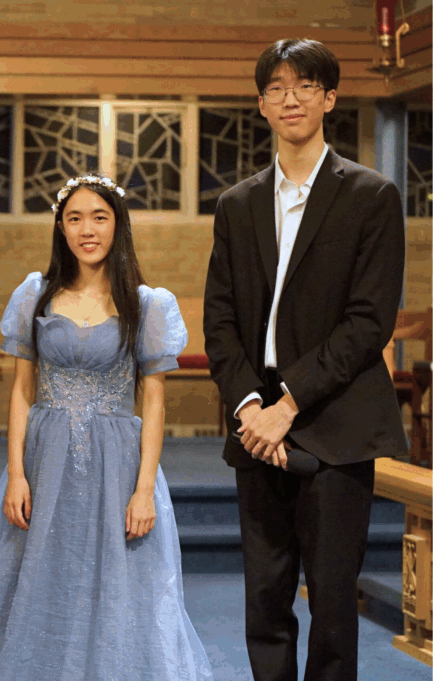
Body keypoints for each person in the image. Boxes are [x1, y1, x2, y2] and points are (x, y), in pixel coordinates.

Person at [0, 173, 215, 680]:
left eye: (99, 217)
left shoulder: (147, 304)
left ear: (118, 225)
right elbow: (22, 391)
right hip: (45, 458)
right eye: (74, 219)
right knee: (38, 576)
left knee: (122, 580)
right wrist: (17, 474)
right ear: (61, 227)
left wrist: (144, 491)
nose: (87, 229)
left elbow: (154, 403)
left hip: (118, 462)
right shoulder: (35, 294)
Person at [203, 39, 407, 681]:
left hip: (334, 418)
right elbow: (220, 320)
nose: (290, 98)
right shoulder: (237, 204)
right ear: (262, 104)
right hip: (254, 421)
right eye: (277, 88)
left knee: (333, 601)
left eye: (305, 86)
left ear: (330, 98)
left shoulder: (371, 195)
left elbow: (369, 321)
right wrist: (250, 406)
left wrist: (288, 405)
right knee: (265, 598)